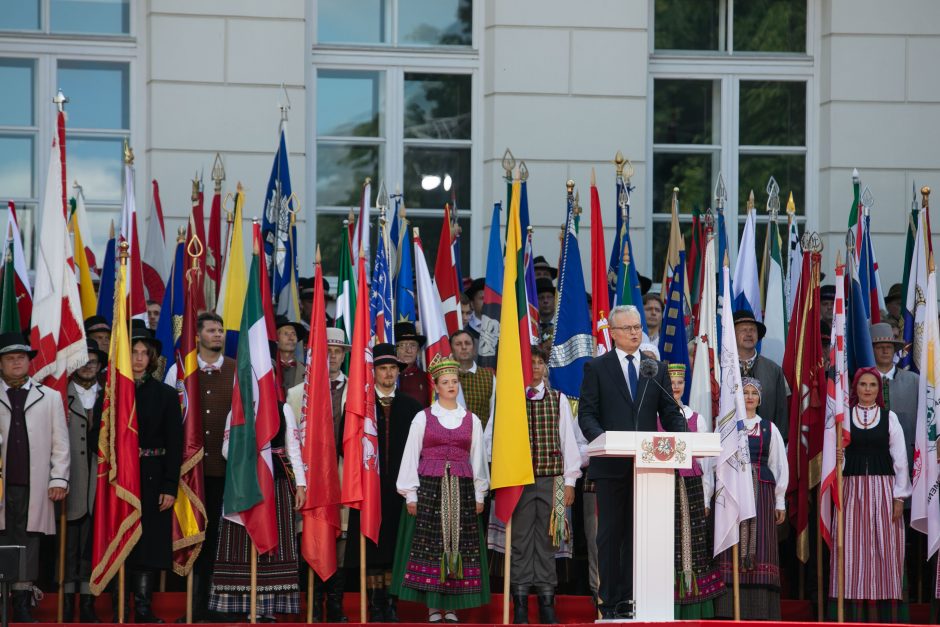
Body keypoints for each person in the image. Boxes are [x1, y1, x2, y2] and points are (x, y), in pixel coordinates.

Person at [578, 305, 687, 619]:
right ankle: (610, 602)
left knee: (639, 535)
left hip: (650, 468)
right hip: (612, 466)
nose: (635, 333)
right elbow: (587, 414)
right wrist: (604, 441)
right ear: (613, 333)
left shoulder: (655, 368)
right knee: (611, 534)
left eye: (638, 327)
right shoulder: (597, 368)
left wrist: (681, 437)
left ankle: (631, 600)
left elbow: (669, 412)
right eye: (628, 328)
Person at [392, 354, 490, 623]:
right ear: (435, 386)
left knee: (459, 545)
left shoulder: (471, 420)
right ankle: (433, 606)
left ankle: (454, 606)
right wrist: (410, 493)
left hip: (461, 489)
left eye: (454, 382)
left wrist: (480, 493)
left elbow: (478, 459)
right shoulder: (423, 418)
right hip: (430, 488)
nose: (451, 386)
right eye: (445, 382)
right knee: (431, 546)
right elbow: (411, 455)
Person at [164, 311, 236, 621]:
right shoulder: (180, 371)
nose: (218, 334)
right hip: (189, 476)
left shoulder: (236, 370)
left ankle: (218, 606)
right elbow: (171, 419)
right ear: (198, 335)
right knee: (192, 537)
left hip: (225, 473)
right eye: (211, 330)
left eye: (220, 330)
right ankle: (193, 608)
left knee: (221, 539)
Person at [209, 402, 307, 621]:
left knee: (275, 542)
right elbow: (226, 449)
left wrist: (300, 484)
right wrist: (250, 449)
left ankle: (268, 606)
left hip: (277, 484)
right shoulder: (236, 408)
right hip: (243, 485)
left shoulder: (283, 409)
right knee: (240, 543)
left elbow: (293, 449)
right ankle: (242, 604)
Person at [508, 346, 582, 624]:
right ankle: (520, 606)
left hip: (555, 481)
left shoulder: (558, 399)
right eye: (531, 363)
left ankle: (547, 603)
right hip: (519, 481)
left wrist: (571, 481)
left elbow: (569, 442)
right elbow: (494, 440)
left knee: (550, 539)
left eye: (540, 363)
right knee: (521, 540)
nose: (536, 368)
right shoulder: (510, 400)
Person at [830, 367, 910, 621]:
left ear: (879, 389)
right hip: (851, 490)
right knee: (851, 547)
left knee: (883, 547)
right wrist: (838, 460)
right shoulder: (843, 418)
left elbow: (900, 460)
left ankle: (883, 616)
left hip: (883, 490)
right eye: (863, 384)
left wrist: (899, 497)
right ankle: (851, 615)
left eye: (872, 385)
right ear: (855, 388)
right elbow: (833, 462)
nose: (867, 389)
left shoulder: (890, 418)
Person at [0, 333, 70, 622]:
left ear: (29, 361)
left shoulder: (50, 397)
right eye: (9, 358)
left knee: (30, 541)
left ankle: (23, 599)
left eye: (21, 357)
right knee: (3, 537)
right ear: (1, 364)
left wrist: (58, 479)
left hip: (36, 484)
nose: (16, 363)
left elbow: (60, 443)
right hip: (1, 485)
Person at [353, 343, 424, 621]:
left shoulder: (413, 408)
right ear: (373, 373)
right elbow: (344, 445)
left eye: (393, 368)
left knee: (396, 544)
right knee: (372, 545)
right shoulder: (360, 407)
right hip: (369, 488)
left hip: (400, 488)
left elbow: (421, 450)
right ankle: (375, 602)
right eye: (382, 368)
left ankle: (392, 603)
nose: (388, 374)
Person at [287, 326, 350, 622]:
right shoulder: (297, 394)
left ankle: (334, 602)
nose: (333, 356)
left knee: (341, 537)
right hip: (311, 479)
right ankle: (311, 599)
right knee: (311, 534)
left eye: (338, 351)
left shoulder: (356, 390)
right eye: (329, 351)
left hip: (343, 476)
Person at [714, 378, 788, 620]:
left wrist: (780, 501)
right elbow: (715, 462)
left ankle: (760, 611)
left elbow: (779, 466)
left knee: (761, 545)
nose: (749, 397)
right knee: (732, 543)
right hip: (733, 493)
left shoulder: (769, 428)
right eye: (744, 392)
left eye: (753, 393)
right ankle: (728, 610)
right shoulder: (726, 426)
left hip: (762, 495)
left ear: (760, 398)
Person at [126, 322, 183, 623]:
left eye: (143, 353)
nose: (137, 358)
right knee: (120, 539)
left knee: (147, 542)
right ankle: (121, 606)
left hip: (152, 475)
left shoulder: (164, 395)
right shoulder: (113, 393)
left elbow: (175, 444)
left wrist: (170, 485)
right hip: (121, 478)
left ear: (151, 358)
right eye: (133, 352)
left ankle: (143, 608)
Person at [666, 364, 723, 618]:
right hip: (663, 485)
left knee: (695, 541)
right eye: (671, 382)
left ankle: (695, 605)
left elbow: (705, 461)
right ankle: (667, 600)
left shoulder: (695, 418)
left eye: (679, 382)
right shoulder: (655, 415)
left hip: (691, 486)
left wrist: (707, 495)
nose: (676, 387)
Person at [62, 340, 106, 623]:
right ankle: (66, 601)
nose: (89, 366)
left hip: (99, 485)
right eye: (83, 361)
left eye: (93, 362)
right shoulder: (60, 394)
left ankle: (89, 601)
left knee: (93, 545)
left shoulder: (111, 395)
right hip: (70, 482)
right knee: (68, 547)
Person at [734, 310, 790, 441]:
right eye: (743, 330)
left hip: (765, 447)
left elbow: (781, 412)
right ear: (732, 334)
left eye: (752, 330)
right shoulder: (720, 368)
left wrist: (779, 444)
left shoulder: (774, 370)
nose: (748, 334)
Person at [871, 322, 917, 474]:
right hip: (873, 464)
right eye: (879, 347)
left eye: (889, 347)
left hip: (908, 461)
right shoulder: (860, 383)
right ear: (871, 351)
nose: (885, 351)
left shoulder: (914, 381)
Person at [450, 329, 495, 428]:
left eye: (468, 343)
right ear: (451, 350)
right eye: (458, 344)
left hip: (481, 439)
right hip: (451, 440)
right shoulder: (445, 377)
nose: (464, 347)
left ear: (474, 349)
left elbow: (494, 414)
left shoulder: (488, 377)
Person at [396, 322, 430, 406]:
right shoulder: (386, 376)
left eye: (413, 345)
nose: (408, 350)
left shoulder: (427, 378)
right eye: (402, 345)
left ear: (418, 350)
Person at [275, 315, 307, 393]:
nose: (291, 338)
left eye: (294, 334)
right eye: (286, 334)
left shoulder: (307, 371)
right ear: (276, 338)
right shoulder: (267, 370)